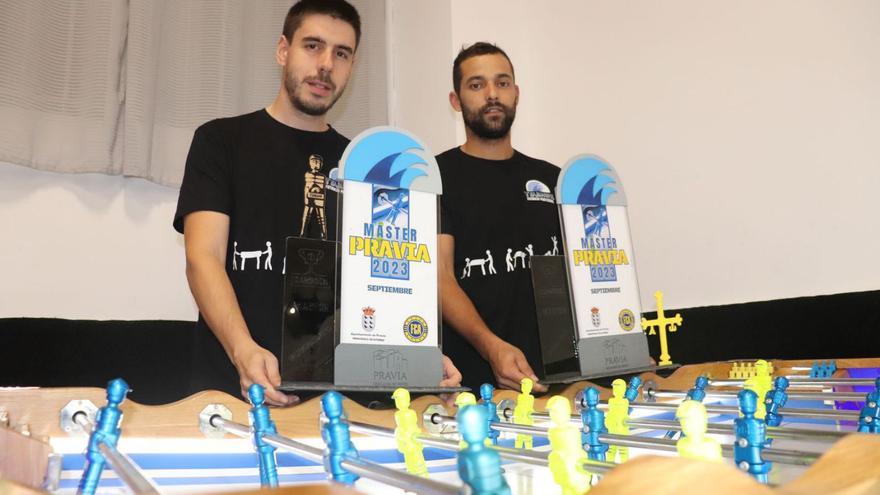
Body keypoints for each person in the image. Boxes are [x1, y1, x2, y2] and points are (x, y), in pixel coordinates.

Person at [174, 0, 460, 406]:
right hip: (232, 396)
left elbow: (384, 278)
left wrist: (415, 358)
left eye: (341, 53)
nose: (326, 64)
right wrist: (244, 352)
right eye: (313, 46)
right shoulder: (220, 142)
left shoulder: (367, 166)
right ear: (282, 50)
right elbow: (202, 257)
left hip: (337, 406)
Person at [438, 42, 560, 392]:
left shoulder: (554, 180)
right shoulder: (433, 177)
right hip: (474, 389)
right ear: (456, 100)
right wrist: (491, 347)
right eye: (476, 85)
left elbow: (584, 275)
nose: (492, 94)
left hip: (556, 385)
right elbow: (440, 277)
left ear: (516, 94)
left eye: (502, 83)